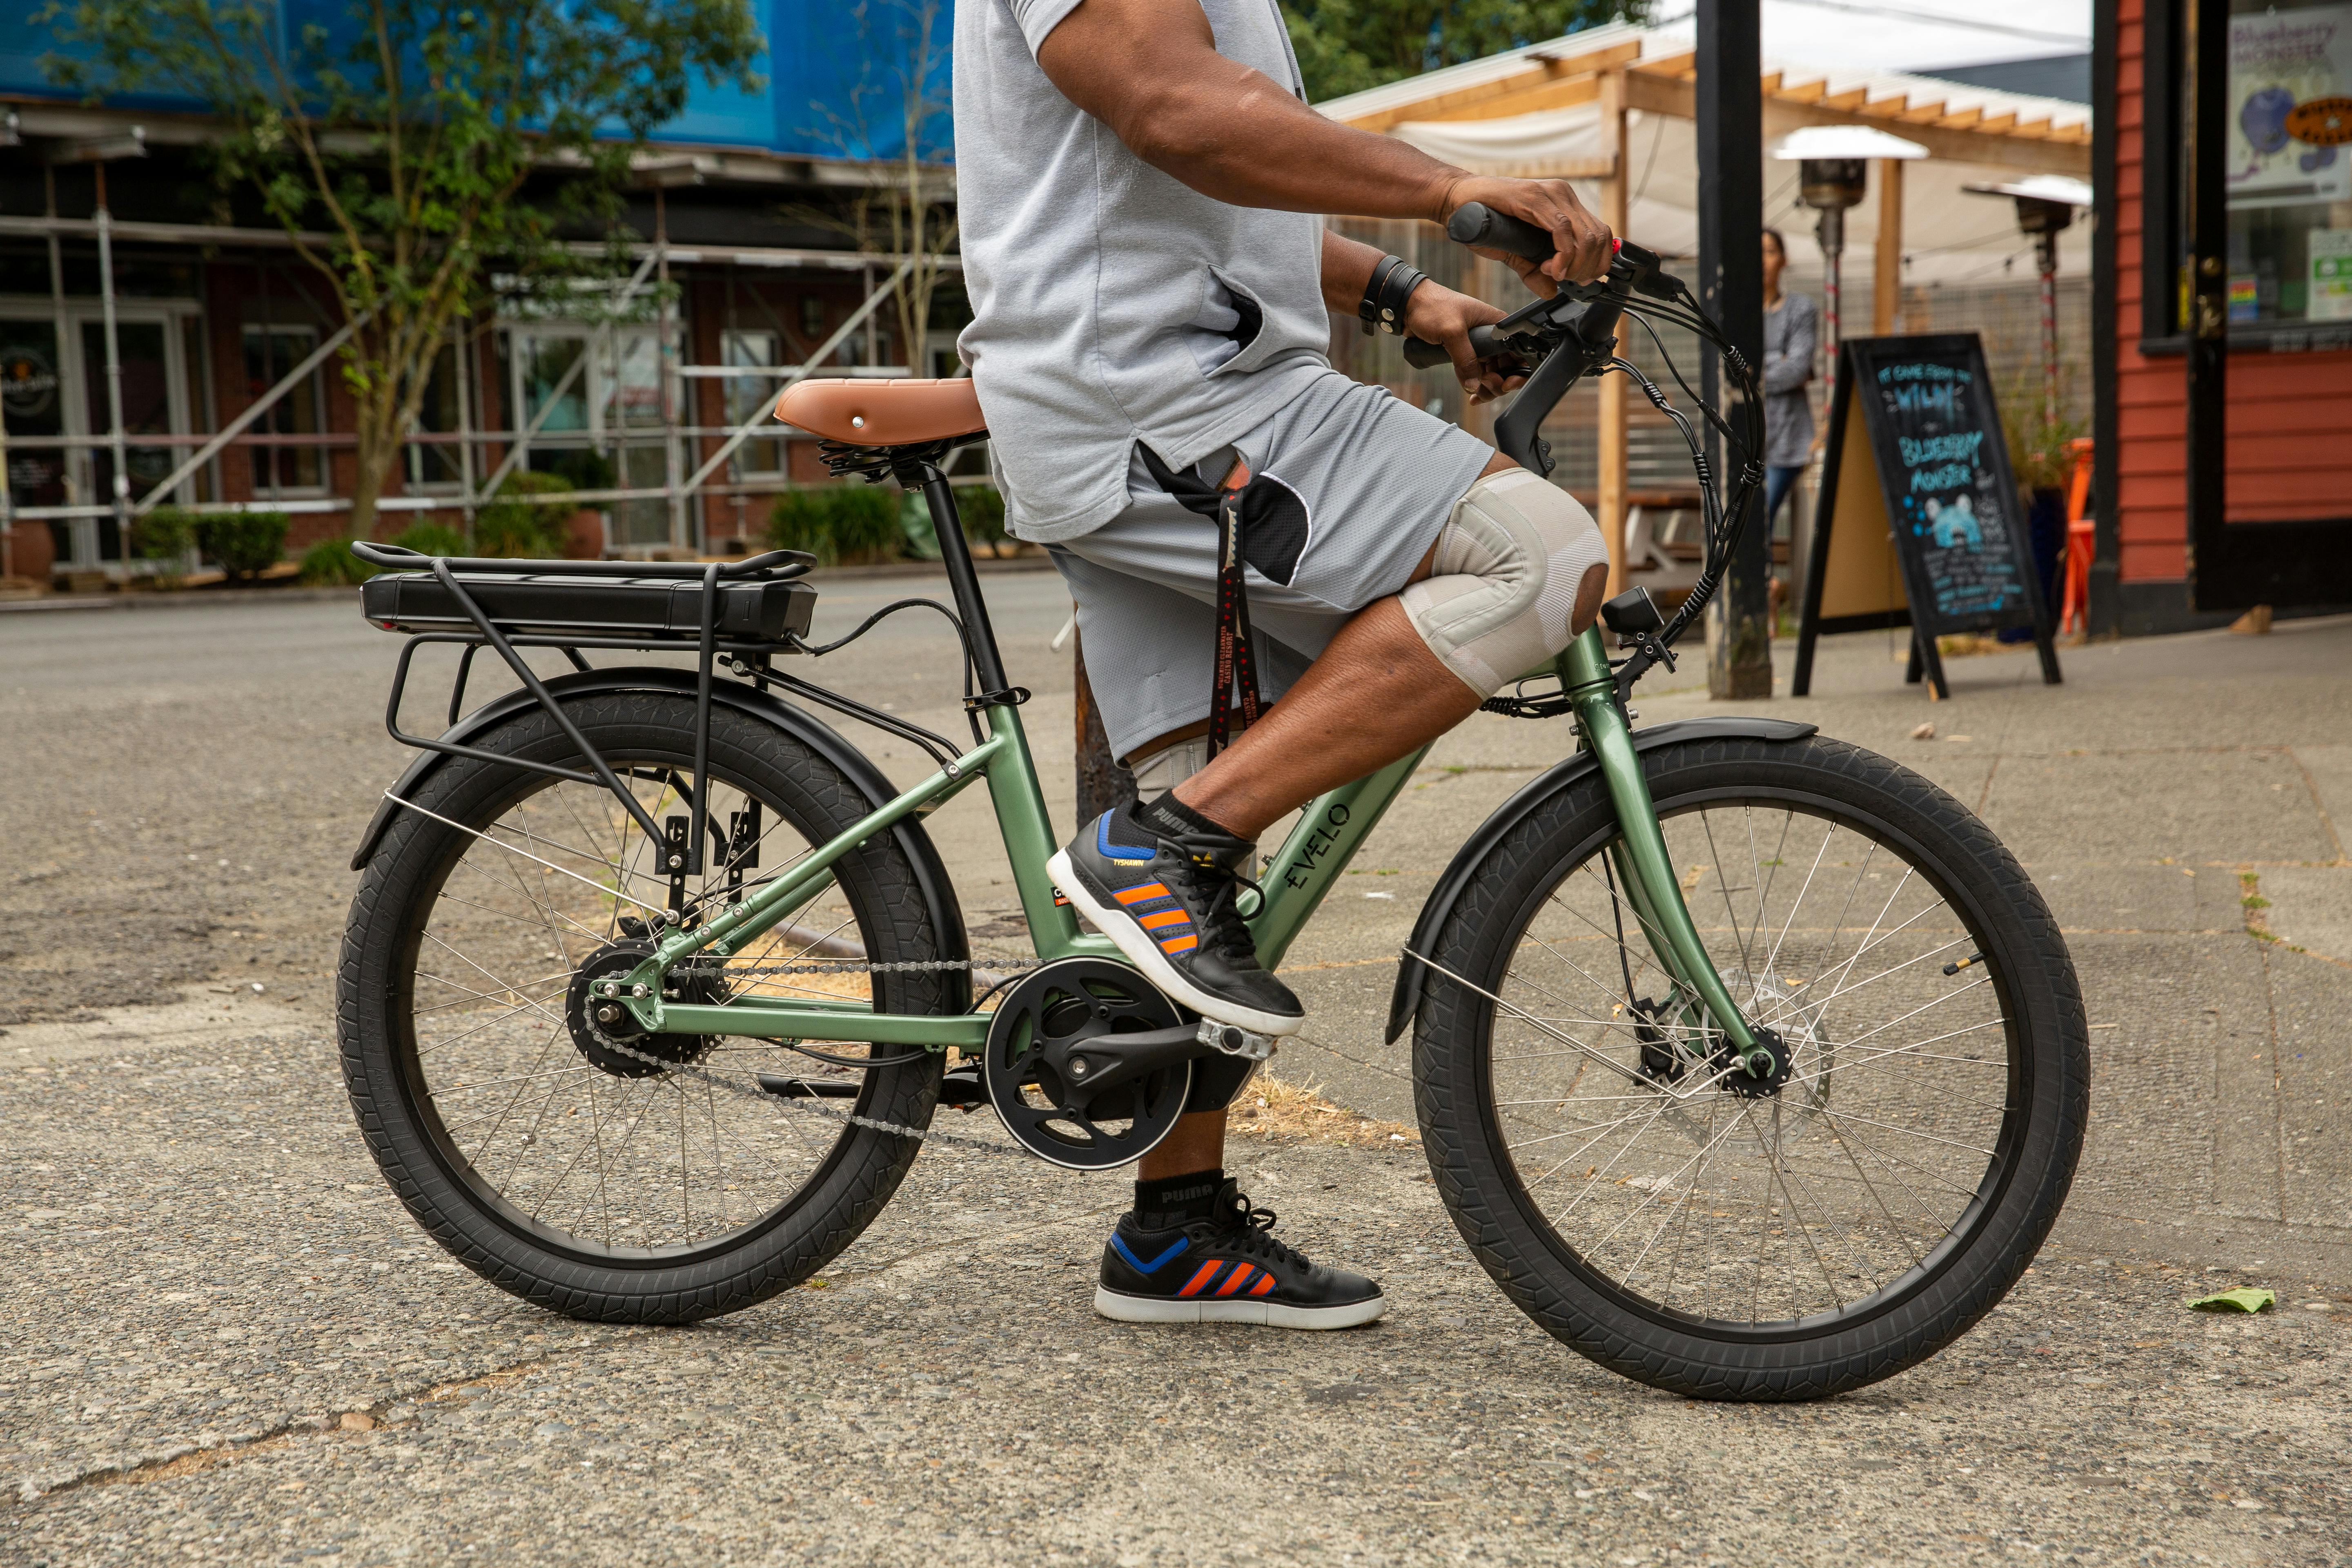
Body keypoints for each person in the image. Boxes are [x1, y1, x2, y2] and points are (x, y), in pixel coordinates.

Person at [956, 0, 1615, 1330]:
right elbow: (1177, 111)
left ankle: (1172, 1234)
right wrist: (1448, 186)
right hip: (1173, 405)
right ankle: (1158, 848)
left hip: (1147, 395)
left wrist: (1403, 290)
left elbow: (1206, 193)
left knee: (1208, 809)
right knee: (1542, 558)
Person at [1760, 228, 1820, 535]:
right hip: (1744, 442)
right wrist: (1777, 359)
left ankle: (1764, 582)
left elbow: (1797, 369)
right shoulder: (1733, 313)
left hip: (1788, 443)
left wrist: (1756, 368)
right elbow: (1726, 371)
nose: (1762, 261)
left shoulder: (1801, 308)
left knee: (1760, 521)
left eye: (1770, 252)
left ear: (1783, 260)